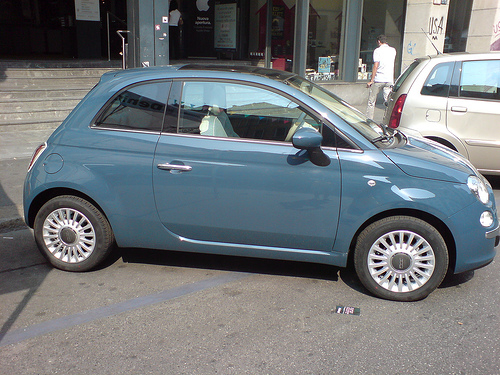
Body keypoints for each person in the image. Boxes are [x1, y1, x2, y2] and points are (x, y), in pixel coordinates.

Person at [366, 34, 396, 119]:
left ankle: (369, 119)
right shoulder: (393, 50)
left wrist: (372, 80)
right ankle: (388, 118)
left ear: (379, 42)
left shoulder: (377, 51)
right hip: (389, 79)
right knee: (388, 101)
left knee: (371, 101)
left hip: (379, 79)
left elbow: (376, 65)